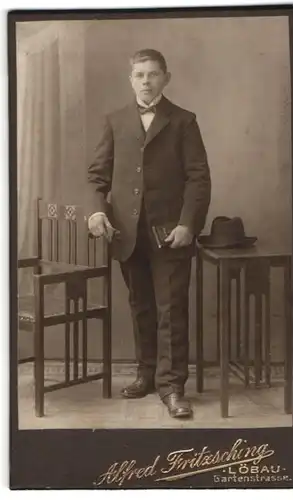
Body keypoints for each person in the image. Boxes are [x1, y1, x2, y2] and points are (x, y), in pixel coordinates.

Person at [87, 49, 211, 419]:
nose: (146, 81)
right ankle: (146, 375)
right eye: (139, 74)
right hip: (127, 234)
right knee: (141, 307)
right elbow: (97, 176)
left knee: (170, 310)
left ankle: (172, 388)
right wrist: (97, 210)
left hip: (170, 233)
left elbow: (198, 178)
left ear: (166, 78)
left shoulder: (184, 121)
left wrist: (188, 224)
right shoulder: (115, 120)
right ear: (130, 79)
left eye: (153, 74)